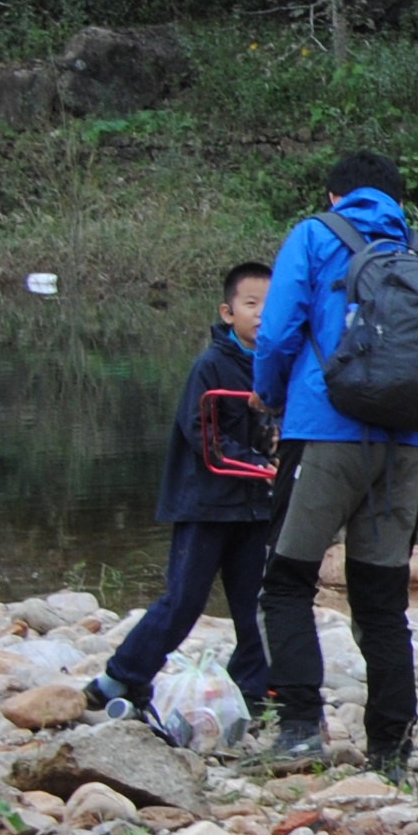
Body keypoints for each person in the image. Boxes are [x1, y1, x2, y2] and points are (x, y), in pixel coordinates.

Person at [250, 149, 418, 772]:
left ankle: (298, 729)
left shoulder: (316, 236)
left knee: (286, 583)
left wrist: (269, 398)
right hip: (404, 445)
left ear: (334, 195)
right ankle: (392, 749)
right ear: (399, 201)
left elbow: (274, 333)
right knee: (381, 600)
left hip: (323, 432)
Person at [88, 260, 280, 732]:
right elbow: (205, 434)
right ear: (228, 311)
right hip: (207, 503)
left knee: (257, 602)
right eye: (250, 304)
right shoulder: (211, 365)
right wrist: (260, 465)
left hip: (256, 507)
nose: (261, 314)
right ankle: (122, 676)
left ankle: (252, 691)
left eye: (271, 306)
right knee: (184, 601)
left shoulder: (277, 363)